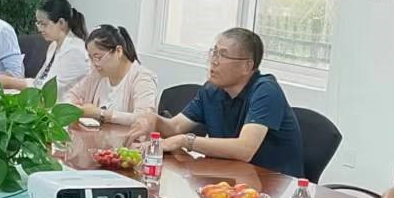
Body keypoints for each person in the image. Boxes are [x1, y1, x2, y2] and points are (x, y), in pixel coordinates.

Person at [130, 28, 304, 175]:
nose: (213, 61)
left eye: (223, 55)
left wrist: (184, 141)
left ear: (247, 66)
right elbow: (175, 127)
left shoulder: (266, 91)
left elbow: (245, 149)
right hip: (229, 177)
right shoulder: (211, 90)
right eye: (214, 52)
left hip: (273, 184)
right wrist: (154, 120)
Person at [0, 0, 89, 97]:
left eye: (43, 24)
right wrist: (10, 81)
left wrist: (11, 82)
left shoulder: (74, 51)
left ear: (61, 23)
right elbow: (39, 81)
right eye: (38, 23)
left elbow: (49, 91)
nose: (40, 29)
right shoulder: (54, 46)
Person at [66, 24, 159, 125]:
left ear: (118, 51)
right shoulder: (96, 74)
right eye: (91, 58)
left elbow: (144, 119)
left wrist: (99, 113)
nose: (94, 63)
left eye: (98, 57)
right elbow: (71, 95)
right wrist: (74, 106)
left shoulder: (143, 78)